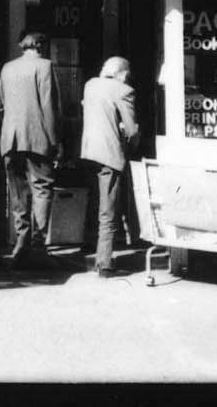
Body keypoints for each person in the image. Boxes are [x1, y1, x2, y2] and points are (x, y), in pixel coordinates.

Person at [0, 31, 61, 269]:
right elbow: (49, 106)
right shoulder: (45, 66)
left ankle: (21, 240)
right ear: (41, 46)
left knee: (18, 191)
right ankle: (38, 242)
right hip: (38, 138)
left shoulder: (7, 68)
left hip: (11, 140)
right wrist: (56, 141)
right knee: (43, 188)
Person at [80, 56, 138, 278]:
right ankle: (104, 263)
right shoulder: (123, 90)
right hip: (109, 154)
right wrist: (131, 142)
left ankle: (90, 248)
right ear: (123, 73)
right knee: (108, 209)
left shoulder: (90, 85)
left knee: (95, 203)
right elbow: (132, 131)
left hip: (88, 151)